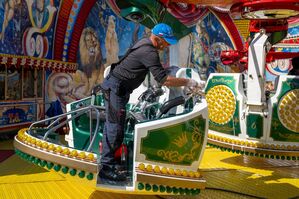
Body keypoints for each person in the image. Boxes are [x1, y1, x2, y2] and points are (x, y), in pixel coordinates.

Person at [98, 23, 205, 182]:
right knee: (115, 127)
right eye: (166, 41)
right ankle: (106, 168)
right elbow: (164, 80)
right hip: (115, 89)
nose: (167, 45)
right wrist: (187, 81)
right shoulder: (149, 51)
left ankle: (111, 162)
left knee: (115, 125)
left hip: (117, 88)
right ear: (158, 38)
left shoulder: (144, 43)